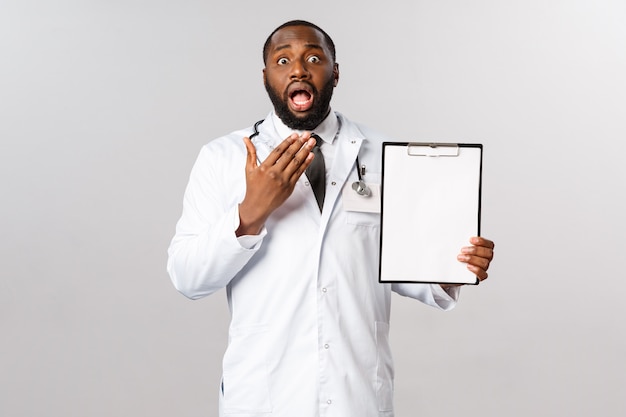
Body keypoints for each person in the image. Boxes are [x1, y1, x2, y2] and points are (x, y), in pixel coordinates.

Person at [167, 20, 495, 417]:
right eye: (283, 59)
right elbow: (187, 278)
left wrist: (452, 266)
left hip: (356, 394)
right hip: (263, 396)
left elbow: (402, 265)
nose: (299, 69)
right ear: (266, 76)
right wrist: (249, 214)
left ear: (335, 72)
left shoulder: (382, 155)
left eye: (314, 58)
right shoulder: (223, 158)